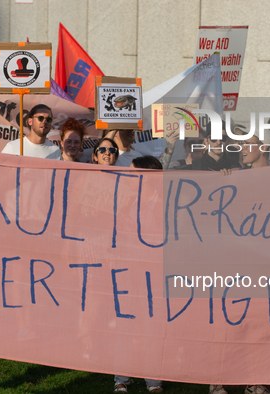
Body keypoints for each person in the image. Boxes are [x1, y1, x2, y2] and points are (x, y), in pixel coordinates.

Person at [113, 154, 164, 394]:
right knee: (125, 324)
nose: (129, 178)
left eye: (134, 174)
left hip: (155, 273)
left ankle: (153, 380)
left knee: (151, 326)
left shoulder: (164, 203)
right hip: (128, 271)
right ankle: (121, 378)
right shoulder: (126, 201)